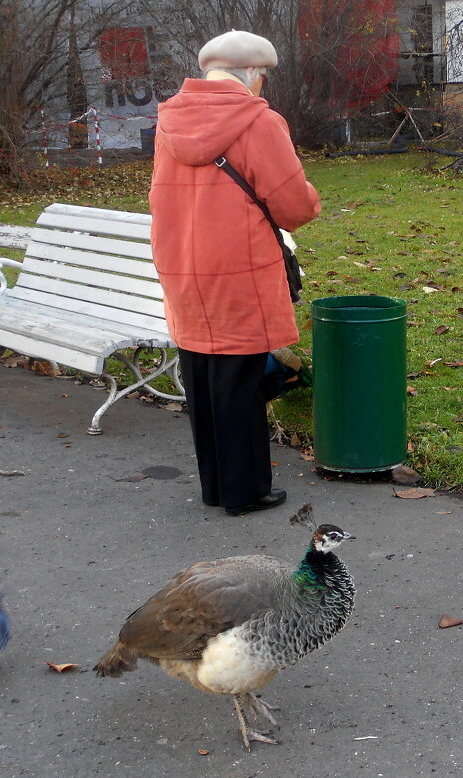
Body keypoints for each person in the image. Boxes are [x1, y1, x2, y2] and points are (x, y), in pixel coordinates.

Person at [149, 30, 321, 516]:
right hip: (237, 267)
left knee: (202, 377)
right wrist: (310, 200)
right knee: (240, 380)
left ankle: (216, 486)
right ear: (251, 72)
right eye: (263, 74)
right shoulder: (259, 121)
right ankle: (245, 492)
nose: (263, 83)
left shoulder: (169, 121)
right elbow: (292, 206)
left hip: (182, 264)